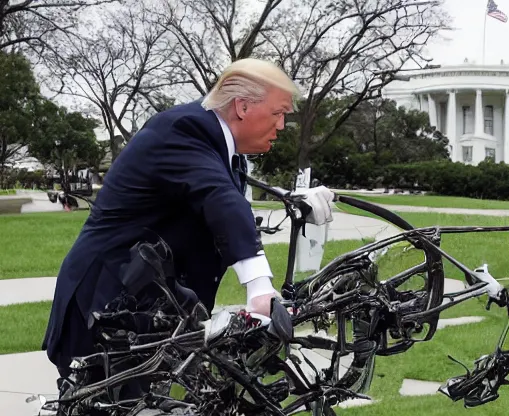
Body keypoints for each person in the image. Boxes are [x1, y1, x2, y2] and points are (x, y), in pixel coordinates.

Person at [43, 58, 334, 378]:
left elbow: (221, 198)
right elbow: (220, 200)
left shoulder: (218, 144)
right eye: (278, 113)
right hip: (104, 305)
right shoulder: (184, 129)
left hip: (151, 311)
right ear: (243, 107)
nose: (281, 125)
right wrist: (259, 287)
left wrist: (289, 198)